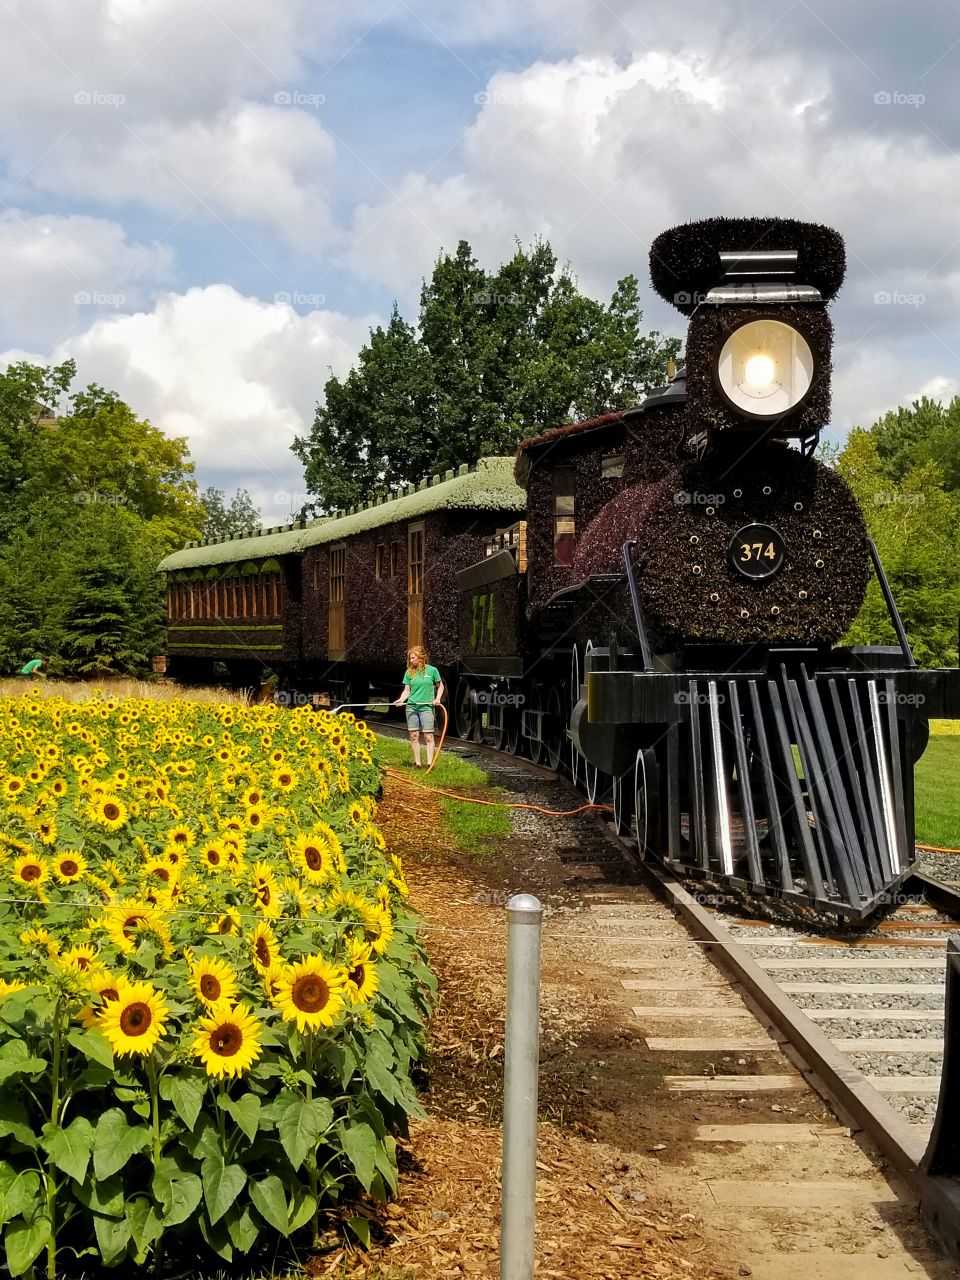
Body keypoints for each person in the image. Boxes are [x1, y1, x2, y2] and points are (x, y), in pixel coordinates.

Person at [392, 646, 444, 768]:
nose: (411, 660)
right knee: (414, 735)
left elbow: (440, 686)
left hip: (426, 707)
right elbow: (406, 690)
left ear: (421, 658)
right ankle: (417, 763)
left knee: (428, 736)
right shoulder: (409, 672)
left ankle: (430, 763)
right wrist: (401, 699)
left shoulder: (432, 671)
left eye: (413, 658)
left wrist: (437, 699)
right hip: (412, 707)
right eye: (410, 658)